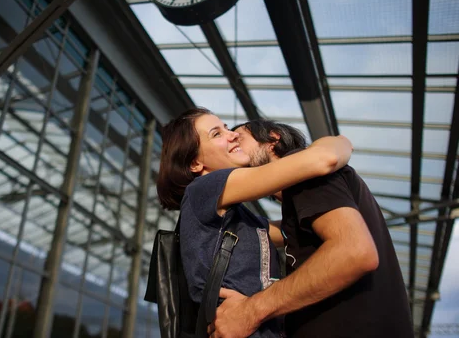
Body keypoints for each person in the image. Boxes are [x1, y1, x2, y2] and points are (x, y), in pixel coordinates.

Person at [156, 108, 353, 338]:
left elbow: (288, 230)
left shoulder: (238, 216)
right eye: (216, 134)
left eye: (226, 127)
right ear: (195, 163)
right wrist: (341, 141)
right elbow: (324, 159)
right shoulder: (203, 189)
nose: (232, 135)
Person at [209, 119, 413, 338]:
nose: (232, 144)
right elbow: (259, 231)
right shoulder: (297, 206)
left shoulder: (302, 171)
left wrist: (249, 312)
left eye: (239, 138)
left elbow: (354, 251)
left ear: (273, 139)